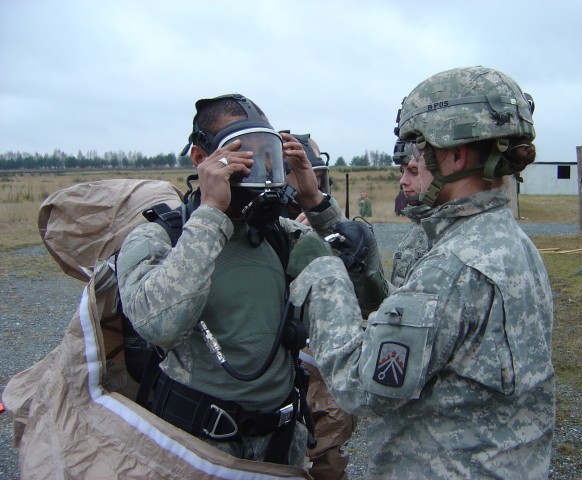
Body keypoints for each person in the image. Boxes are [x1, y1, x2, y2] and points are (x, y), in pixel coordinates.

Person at [286, 66, 555, 478]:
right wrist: (321, 208)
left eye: (418, 147)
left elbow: (362, 386)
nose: (410, 161)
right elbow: (415, 321)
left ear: (453, 154)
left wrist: (324, 276)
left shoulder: (453, 267)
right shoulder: (508, 242)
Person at [116, 94, 342, 467]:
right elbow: (158, 326)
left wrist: (315, 202)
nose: (257, 169)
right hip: (197, 450)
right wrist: (210, 213)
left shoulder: (281, 236)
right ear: (201, 160)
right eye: (241, 155)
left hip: (281, 446)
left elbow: (364, 293)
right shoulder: (159, 239)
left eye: (266, 154)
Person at [281, 132, 357, 480]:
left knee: (325, 454)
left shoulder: (329, 221)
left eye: (316, 177)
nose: (309, 185)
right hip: (278, 372)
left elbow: (361, 290)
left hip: (321, 376)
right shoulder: (262, 228)